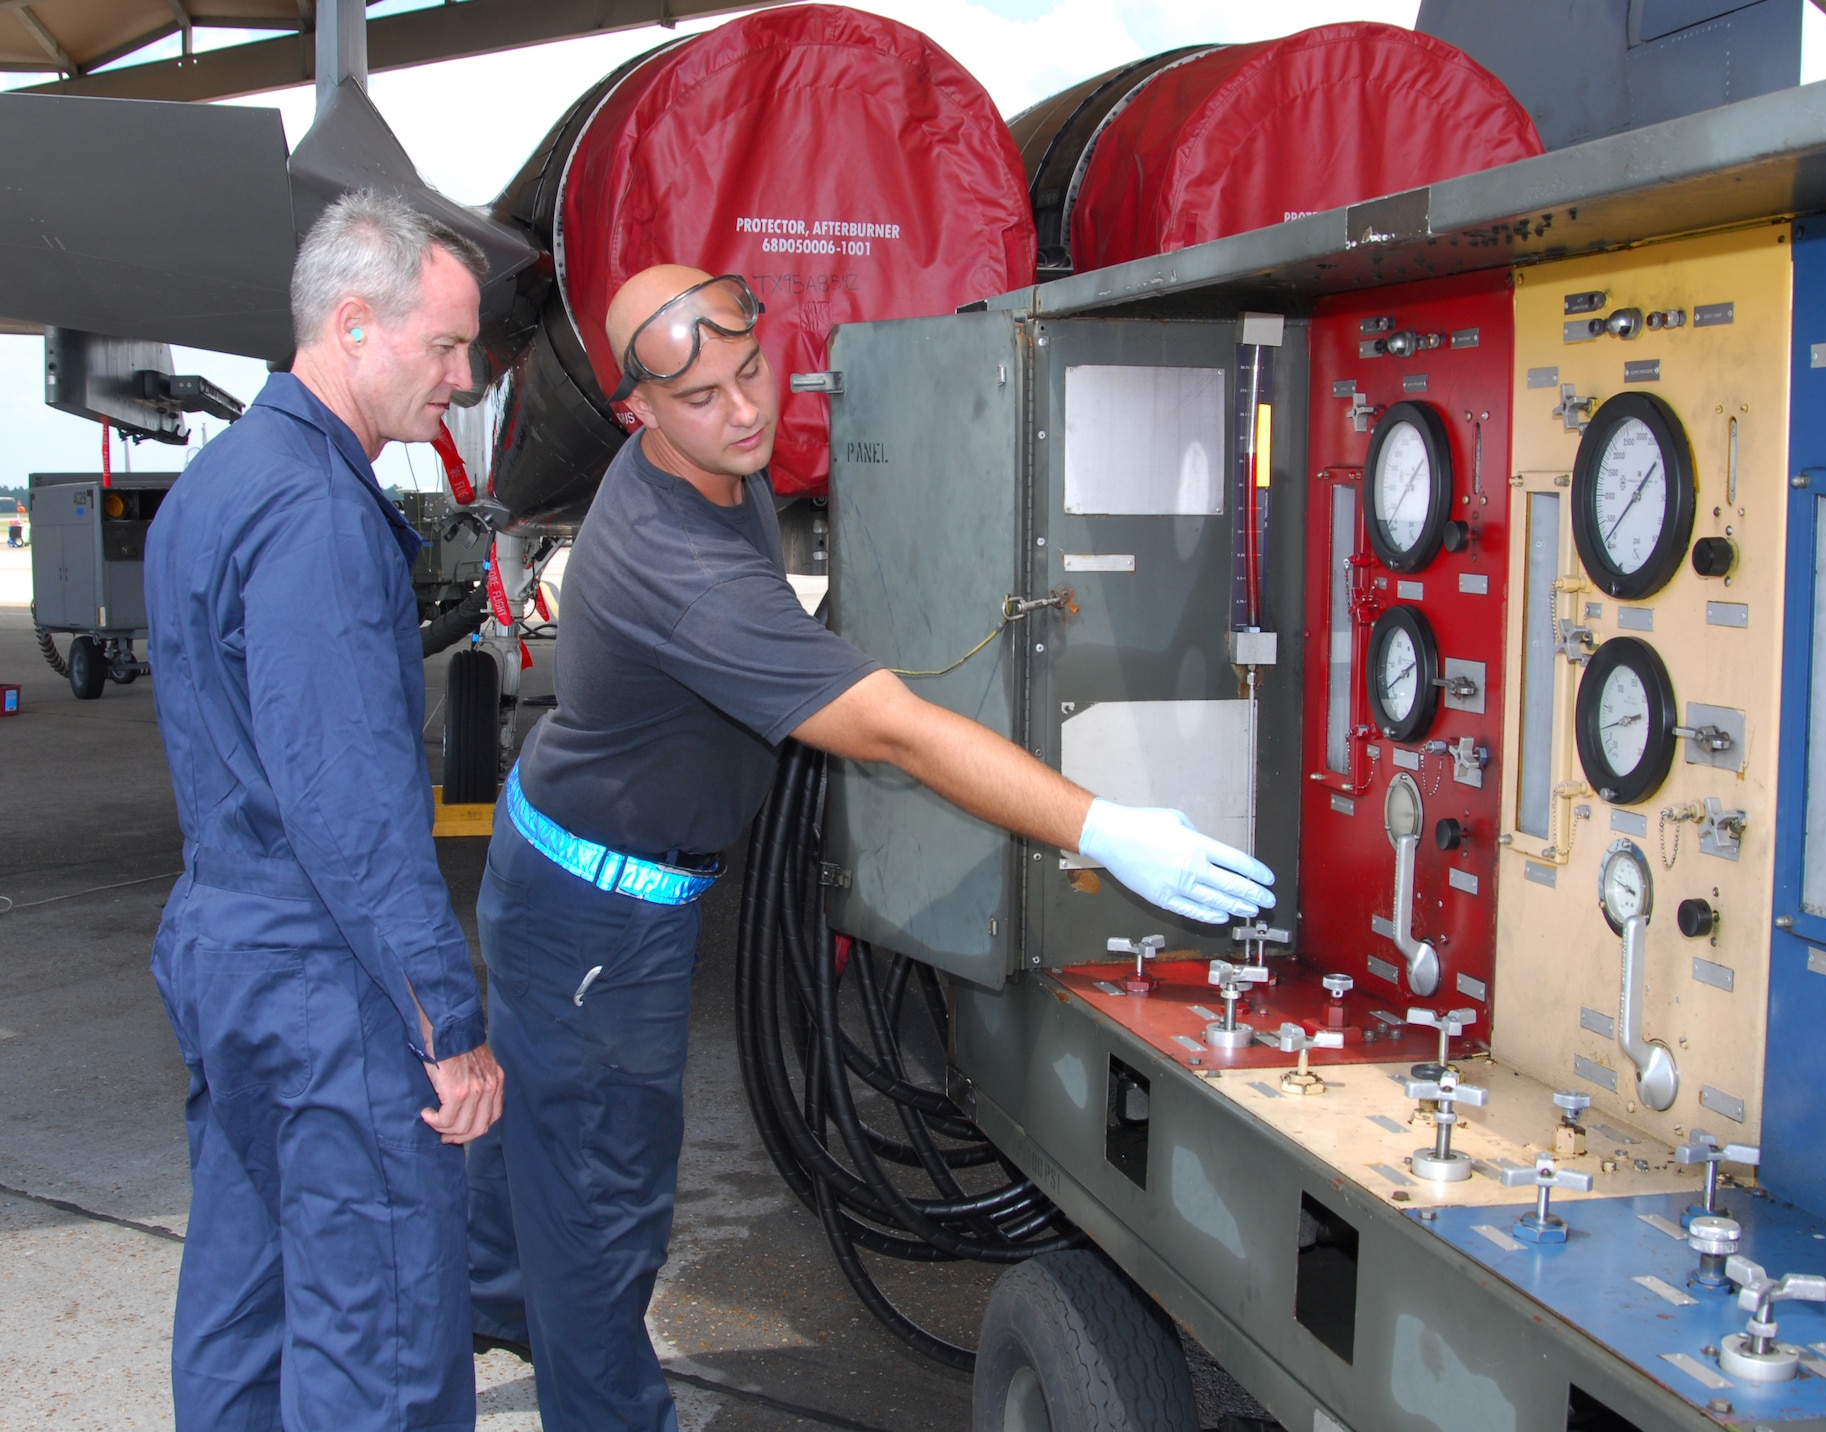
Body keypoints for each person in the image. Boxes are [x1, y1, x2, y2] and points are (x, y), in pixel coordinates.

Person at [466, 263, 1275, 1429]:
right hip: (596, 925)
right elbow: (889, 727)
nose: (744, 412)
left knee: (531, 1183)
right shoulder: (672, 565)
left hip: (569, 874)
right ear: (635, 411)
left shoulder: (715, 474)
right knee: (600, 1219)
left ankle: (448, 1326)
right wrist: (1104, 824)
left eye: (751, 372)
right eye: (701, 397)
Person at [146, 190, 505, 1430]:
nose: (461, 378)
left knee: (246, 1308)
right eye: (445, 345)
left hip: (228, 955)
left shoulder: (221, 479)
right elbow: (349, 801)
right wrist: (444, 1021)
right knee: (384, 1347)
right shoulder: (315, 510)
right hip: (323, 986)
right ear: (356, 323)